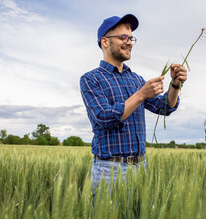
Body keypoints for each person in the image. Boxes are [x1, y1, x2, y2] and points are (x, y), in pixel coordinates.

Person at [80, 14, 187, 193]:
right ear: (105, 42)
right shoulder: (91, 79)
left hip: (140, 166)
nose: (129, 42)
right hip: (109, 170)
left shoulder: (136, 80)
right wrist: (140, 95)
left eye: (131, 38)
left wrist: (175, 85)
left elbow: (165, 107)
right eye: (123, 37)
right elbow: (104, 118)